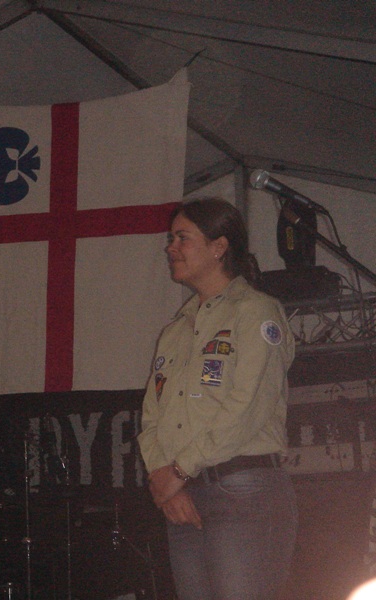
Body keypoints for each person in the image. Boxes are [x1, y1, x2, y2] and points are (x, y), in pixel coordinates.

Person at [137, 198, 298, 599]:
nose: (171, 247)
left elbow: (247, 407)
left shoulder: (256, 312)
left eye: (182, 238)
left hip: (244, 491)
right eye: (171, 238)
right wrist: (168, 481)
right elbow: (152, 416)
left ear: (219, 246)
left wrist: (178, 471)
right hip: (185, 496)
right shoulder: (175, 330)